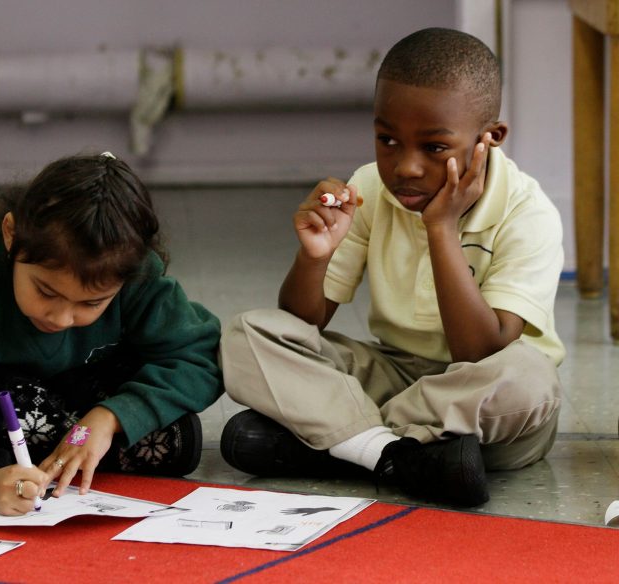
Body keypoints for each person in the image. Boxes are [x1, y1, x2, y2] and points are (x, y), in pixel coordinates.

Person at [218, 28, 564, 507]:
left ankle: (343, 438)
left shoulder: (529, 214)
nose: (405, 167)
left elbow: (480, 350)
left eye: (435, 148)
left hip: (483, 399)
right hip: (395, 373)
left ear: (491, 139)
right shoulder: (369, 189)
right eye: (387, 140)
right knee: (249, 332)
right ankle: (399, 453)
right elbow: (304, 321)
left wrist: (439, 228)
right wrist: (314, 256)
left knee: (530, 379)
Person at [0, 152, 223, 515]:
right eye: (47, 292)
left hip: (88, 401)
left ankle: (54, 445)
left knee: (175, 435)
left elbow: (198, 357)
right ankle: (6, 450)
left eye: (91, 304)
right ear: (10, 235)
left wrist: (109, 418)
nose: (63, 317)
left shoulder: (139, 277)